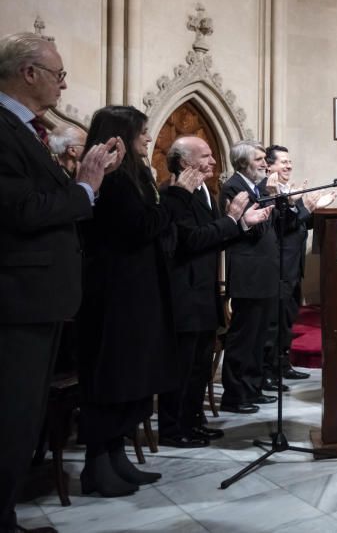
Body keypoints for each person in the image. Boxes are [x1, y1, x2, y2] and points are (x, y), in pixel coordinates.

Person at [0, 32, 121, 532]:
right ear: (29, 73)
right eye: (58, 74)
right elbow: (21, 211)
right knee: (10, 416)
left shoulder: (25, 129)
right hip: (16, 302)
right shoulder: (5, 128)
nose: (63, 84)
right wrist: (86, 187)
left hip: (37, 301)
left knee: (22, 417)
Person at [76, 105, 196, 497]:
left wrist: (166, 203)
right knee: (113, 380)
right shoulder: (111, 180)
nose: (149, 138)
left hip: (138, 293)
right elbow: (139, 228)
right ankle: (98, 465)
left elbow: (151, 224)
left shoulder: (136, 176)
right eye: (143, 132)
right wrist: (176, 196)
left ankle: (118, 458)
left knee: (133, 380)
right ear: (122, 135)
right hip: (115, 298)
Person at [158, 136, 271, 448]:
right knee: (182, 367)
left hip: (205, 290)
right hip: (185, 291)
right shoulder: (171, 194)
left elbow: (213, 238)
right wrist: (233, 221)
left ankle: (193, 421)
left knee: (199, 367)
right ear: (184, 163)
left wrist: (240, 224)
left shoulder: (205, 191)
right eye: (204, 156)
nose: (212, 161)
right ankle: (172, 428)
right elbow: (191, 240)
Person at [219, 140, 279, 414]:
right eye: (259, 159)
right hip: (248, 274)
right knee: (244, 336)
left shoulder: (254, 187)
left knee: (258, 336)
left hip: (263, 273)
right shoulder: (233, 187)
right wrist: (264, 206)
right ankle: (235, 394)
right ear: (243, 162)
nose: (264, 163)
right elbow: (246, 230)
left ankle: (252, 387)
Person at [260, 144, 324, 385]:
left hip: (294, 267)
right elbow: (281, 228)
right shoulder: (270, 192)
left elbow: (298, 225)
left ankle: (282, 364)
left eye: (289, 161)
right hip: (279, 267)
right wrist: (303, 207)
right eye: (283, 162)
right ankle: (268, 370)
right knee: (274, 323)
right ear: (269, 166)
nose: (288, 165)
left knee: (287, 319)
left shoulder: (288, 191)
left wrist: (312, 209)